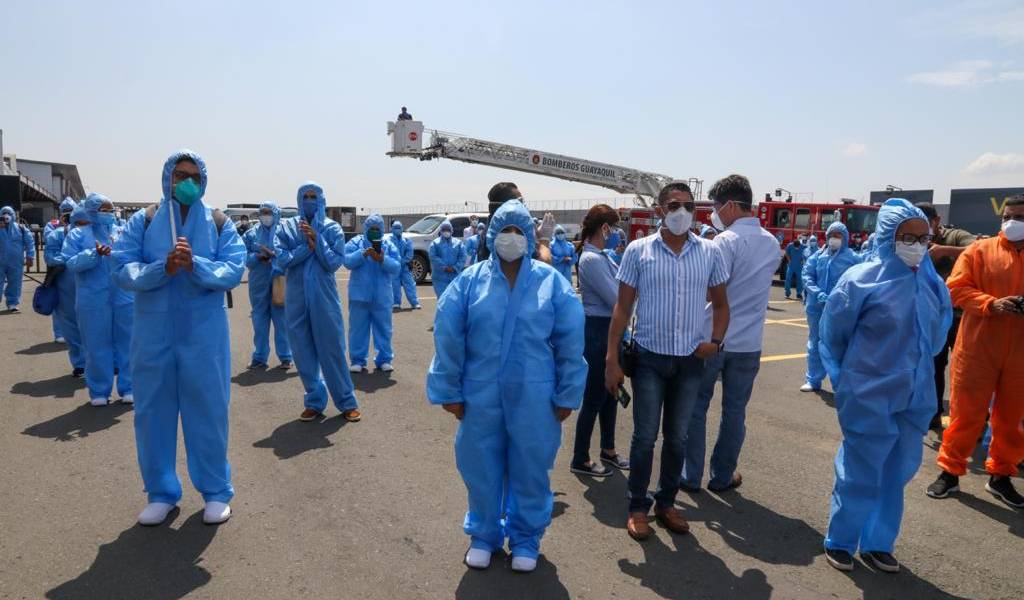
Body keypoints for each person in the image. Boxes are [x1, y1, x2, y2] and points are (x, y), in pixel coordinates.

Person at [427, 199, 586, 573]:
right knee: (480, 466)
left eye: (518, 231)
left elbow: (571, 342)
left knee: (531, 467)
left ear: (530, 236)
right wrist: (449, 389)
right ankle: (483, 535)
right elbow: (449, 335)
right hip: (480, 393)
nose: (511, 238)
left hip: (536, 395)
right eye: (504, 230)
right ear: (492, 234)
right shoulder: (470, 281)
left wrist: (567, 393)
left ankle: (526, 538)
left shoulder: (551, 283)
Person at [819, 199, 952, 573]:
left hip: (916, 393)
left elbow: (937, 339)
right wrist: (850, 381)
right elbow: (834, 336)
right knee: (860, 470)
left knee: (897, 471)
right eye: (906, 237)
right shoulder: (860, 281)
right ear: (886, 237)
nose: (916, 245)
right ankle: (842, 539)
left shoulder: (933, 285)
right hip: (868, 392)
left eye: (923, 237)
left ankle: (878, 543)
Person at [113, 150, 244, 526]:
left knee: (209, 411)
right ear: (167, 177)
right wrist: (162, 268)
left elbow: (234, 268)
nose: (186, 182)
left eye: (193, 176)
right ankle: (161, 493)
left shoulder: (218, 222)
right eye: (179, 175)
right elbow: (122, 268)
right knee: (153, 412)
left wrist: (197, 265)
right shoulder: (145, 219)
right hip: (153, 332)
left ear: (203, 181)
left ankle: (216, 492)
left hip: (204, 333)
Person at [605, 181, 729, 541]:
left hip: (690, 361)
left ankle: (667, 502)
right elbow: (623, 307)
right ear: (659, 210)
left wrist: (715, 342)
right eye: (674, 205)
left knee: (678, 437)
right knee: (645, 437)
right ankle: (638, 506)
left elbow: (722, 305)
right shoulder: (638, 250)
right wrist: (611, 357)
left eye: (689, 206)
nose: (682, 213)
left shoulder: (709, 252)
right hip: (649, 359)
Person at [681, 174, 781, 492]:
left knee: (697, 408)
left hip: (715, 338)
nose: (714, 212)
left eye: (716, 206)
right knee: (734, 413)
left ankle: (691, 474)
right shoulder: (771, 242)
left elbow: (712, 293)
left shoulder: (725, 242)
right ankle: (722, 475)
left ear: (732, 206)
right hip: (749, 342)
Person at [927, 195, 1024, 508]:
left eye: (1019, 217)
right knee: (965, 414)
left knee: (1011, 419)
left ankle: (1001, 476)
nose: (1011, 223)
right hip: (979, 348)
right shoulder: (979, 250)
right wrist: (990, 304)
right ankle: (950, 472)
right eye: (1007, 216)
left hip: (1020, 353)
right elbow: (955, 288)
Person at [276, 182, 361, 423]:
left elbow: (334, 263)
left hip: (324, 298)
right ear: (299, 199)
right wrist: (307, 247)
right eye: (306, 196)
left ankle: (346, 401)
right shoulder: (287, 227)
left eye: (314, 196)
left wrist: (318, 240)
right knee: (301, 351)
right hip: (297, 298)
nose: (310, 201)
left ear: (321, 200)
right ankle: (314, 400)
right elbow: (283, 259)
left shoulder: (332, 229)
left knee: (332, 349)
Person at [571, 205, 629, 477]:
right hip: (598, 330)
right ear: (604, 228)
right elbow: (618, 298)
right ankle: (580, 457)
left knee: (611, 393)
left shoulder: (601, 256)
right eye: (614, 227)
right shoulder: (592, 259)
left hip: (608, 328)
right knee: (594, 396)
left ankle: (608, 449)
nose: (617, 233)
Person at [63, 194, 134, 406]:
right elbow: (70, 262)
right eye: (105, 210)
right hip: (93, 298)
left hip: (123, 296)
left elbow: (133, 256)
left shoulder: (122, 232)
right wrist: (93, 254)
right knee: (95, 345)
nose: (110, 214)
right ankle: (99, 391)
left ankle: (129, 387)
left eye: (111, 210)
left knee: (128, 343)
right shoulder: (77, 235)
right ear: (93, 211)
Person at [915, 202, 977, 430]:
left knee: (966, 371)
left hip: (960, 316)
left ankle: (973, 421)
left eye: (926, 223)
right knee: (933, 367)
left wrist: (944, 251)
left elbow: (980, 248)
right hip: (932, 318)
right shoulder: (913, 241)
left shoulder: (955, 236)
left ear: (936, 221)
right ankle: (932, 413)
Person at [800, 223, 860, 392]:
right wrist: (816, 292)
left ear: (845, 238)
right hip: (816, 306)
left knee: (842, 344)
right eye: (832, 235)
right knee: (815, 341)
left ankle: (842, 384)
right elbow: (807, 275)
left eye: (838, 235)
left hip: (841, 309)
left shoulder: (853, 257)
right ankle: (813, 379)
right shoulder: (818, 256)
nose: (834, 238)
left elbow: (861, 278)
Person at [345, 213, 401, 372]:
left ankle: (384, 359)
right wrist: (363, 254)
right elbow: (346, 261)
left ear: (382, 229)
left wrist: (382, 259)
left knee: (384, 329)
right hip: (359, 295)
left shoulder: (388, 245)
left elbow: (397, 267)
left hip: (382, 296)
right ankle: (357, 360)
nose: (374, 232)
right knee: (357, 329)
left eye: (377, 229)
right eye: (371, 229)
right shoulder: (356, 243)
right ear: (366, 228)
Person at [242, 201, 292, 370]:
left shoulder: (285, 232)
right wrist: (257, 257)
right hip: (258, 282)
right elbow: (242, 257)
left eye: (268, 212)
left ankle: (285, 357)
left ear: (276, 213)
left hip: (279, 280)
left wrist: (276, 257)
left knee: (282, 321)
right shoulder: (251, 234)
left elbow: (292, 255)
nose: (266, 215)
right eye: (263, 212)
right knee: (259, 320)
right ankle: (259, 357)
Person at [44, 199, 86, 377]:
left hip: (90, 285)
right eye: (66, 213)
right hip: (65, 286)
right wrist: (69, 259)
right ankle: (80, 363)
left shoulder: (89, 233)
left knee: (96, 325)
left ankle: (104, 362)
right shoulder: (55, 234)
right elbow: (49, 257)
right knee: (70, 324)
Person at [45, 198, 77, 341]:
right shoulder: (53, 228)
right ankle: (60, 333)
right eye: (65, 212)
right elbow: (49, 252)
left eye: (71, 212)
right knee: (60, 304)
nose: (68, 216)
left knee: (78, 303)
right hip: (60, 272)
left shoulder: (82, 229)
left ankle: (78, 332)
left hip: (79, 273)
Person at [0, 205, 35, 312]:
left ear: (13, 215)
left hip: (15, 262)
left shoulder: (21, 228)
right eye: (4, 214)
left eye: (9, 214)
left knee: (15, 282)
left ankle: (13, 303)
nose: (6, 216)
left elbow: (29, 243)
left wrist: (30, 257)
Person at [387, 220, 421, 309]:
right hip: (394, 267)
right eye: (395, 228)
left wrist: (403, 261)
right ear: (392, 229)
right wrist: (395, 262)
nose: (397, 229)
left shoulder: (406, 240)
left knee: (410, 284)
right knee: (395, 285)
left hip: (405, 266)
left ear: (402, 229)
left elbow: (410, 253)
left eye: (399, 228)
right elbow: (387, 253)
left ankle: (414, 302)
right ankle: (396, 303)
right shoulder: (388, 241)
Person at [428, 220, 465, 298]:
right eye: (444, 230)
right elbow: (433, 257)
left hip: (454, 274)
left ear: (451, 230)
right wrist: (444, 267)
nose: (446, 232)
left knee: (455, 297)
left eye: (448, 229)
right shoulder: (435, 243)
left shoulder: (458, 243)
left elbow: (462, 257)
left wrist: (455, 268)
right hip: (440, 276)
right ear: (441, 231)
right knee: (442, 297)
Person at [783, 236, 805, 300]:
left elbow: (806, 253)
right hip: (791, 265)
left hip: (799, 266)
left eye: (798, 247)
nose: (796, 248)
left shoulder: (803, 246)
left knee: (800, 280)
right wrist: (789, 259)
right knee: (788, 278)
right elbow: (786, 252)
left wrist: (803, 259)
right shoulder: (790, 245)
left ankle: (799, 294)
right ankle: (787, 293)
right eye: (795, 247)